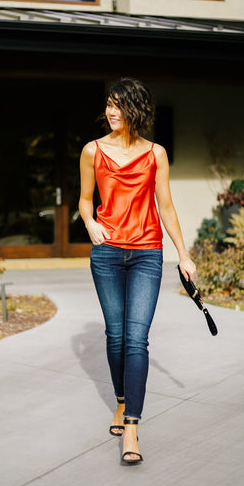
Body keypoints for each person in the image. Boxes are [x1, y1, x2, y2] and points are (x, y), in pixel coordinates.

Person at [79, 77, 196, 465]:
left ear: (136, 110)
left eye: (119, 105)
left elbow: (166, 206)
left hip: (147, 253)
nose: (111, 111)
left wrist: (184, 255)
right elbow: (84, 200)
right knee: (115, 337)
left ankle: (132, 425)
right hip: (107, 254)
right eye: (109, 104)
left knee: (135, 339)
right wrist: (90, 224)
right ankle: (121, 400)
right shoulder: (92, 151)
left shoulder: (155, 154)